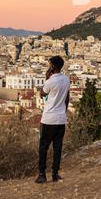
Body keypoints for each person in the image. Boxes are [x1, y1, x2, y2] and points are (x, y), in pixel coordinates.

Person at [35, 55, 70, 184]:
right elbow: (67, 98)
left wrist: (46, 78)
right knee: (57, 147)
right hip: (61, 118)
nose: (48, 66)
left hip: (49, 118)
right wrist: (63, 112)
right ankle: (55, 174)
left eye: (50, 64)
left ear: (53, 66)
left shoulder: (50, 81)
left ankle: (42, 174)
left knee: (43, 146)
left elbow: (42, 93)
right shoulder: (66, 80)